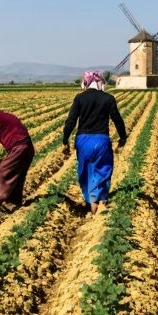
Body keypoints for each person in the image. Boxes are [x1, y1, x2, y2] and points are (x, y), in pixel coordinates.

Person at [62, 70, 128, 214]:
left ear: (86, 82)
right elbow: (117, 119)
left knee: (85, 170)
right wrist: (123, 137)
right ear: (100, 82)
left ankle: (91, 200)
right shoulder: (108, 98)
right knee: (103, 169)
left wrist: (65, 139)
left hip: (83, 140)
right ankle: (101, 199)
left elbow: (71, 121)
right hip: (101, 140)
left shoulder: (79, 98)